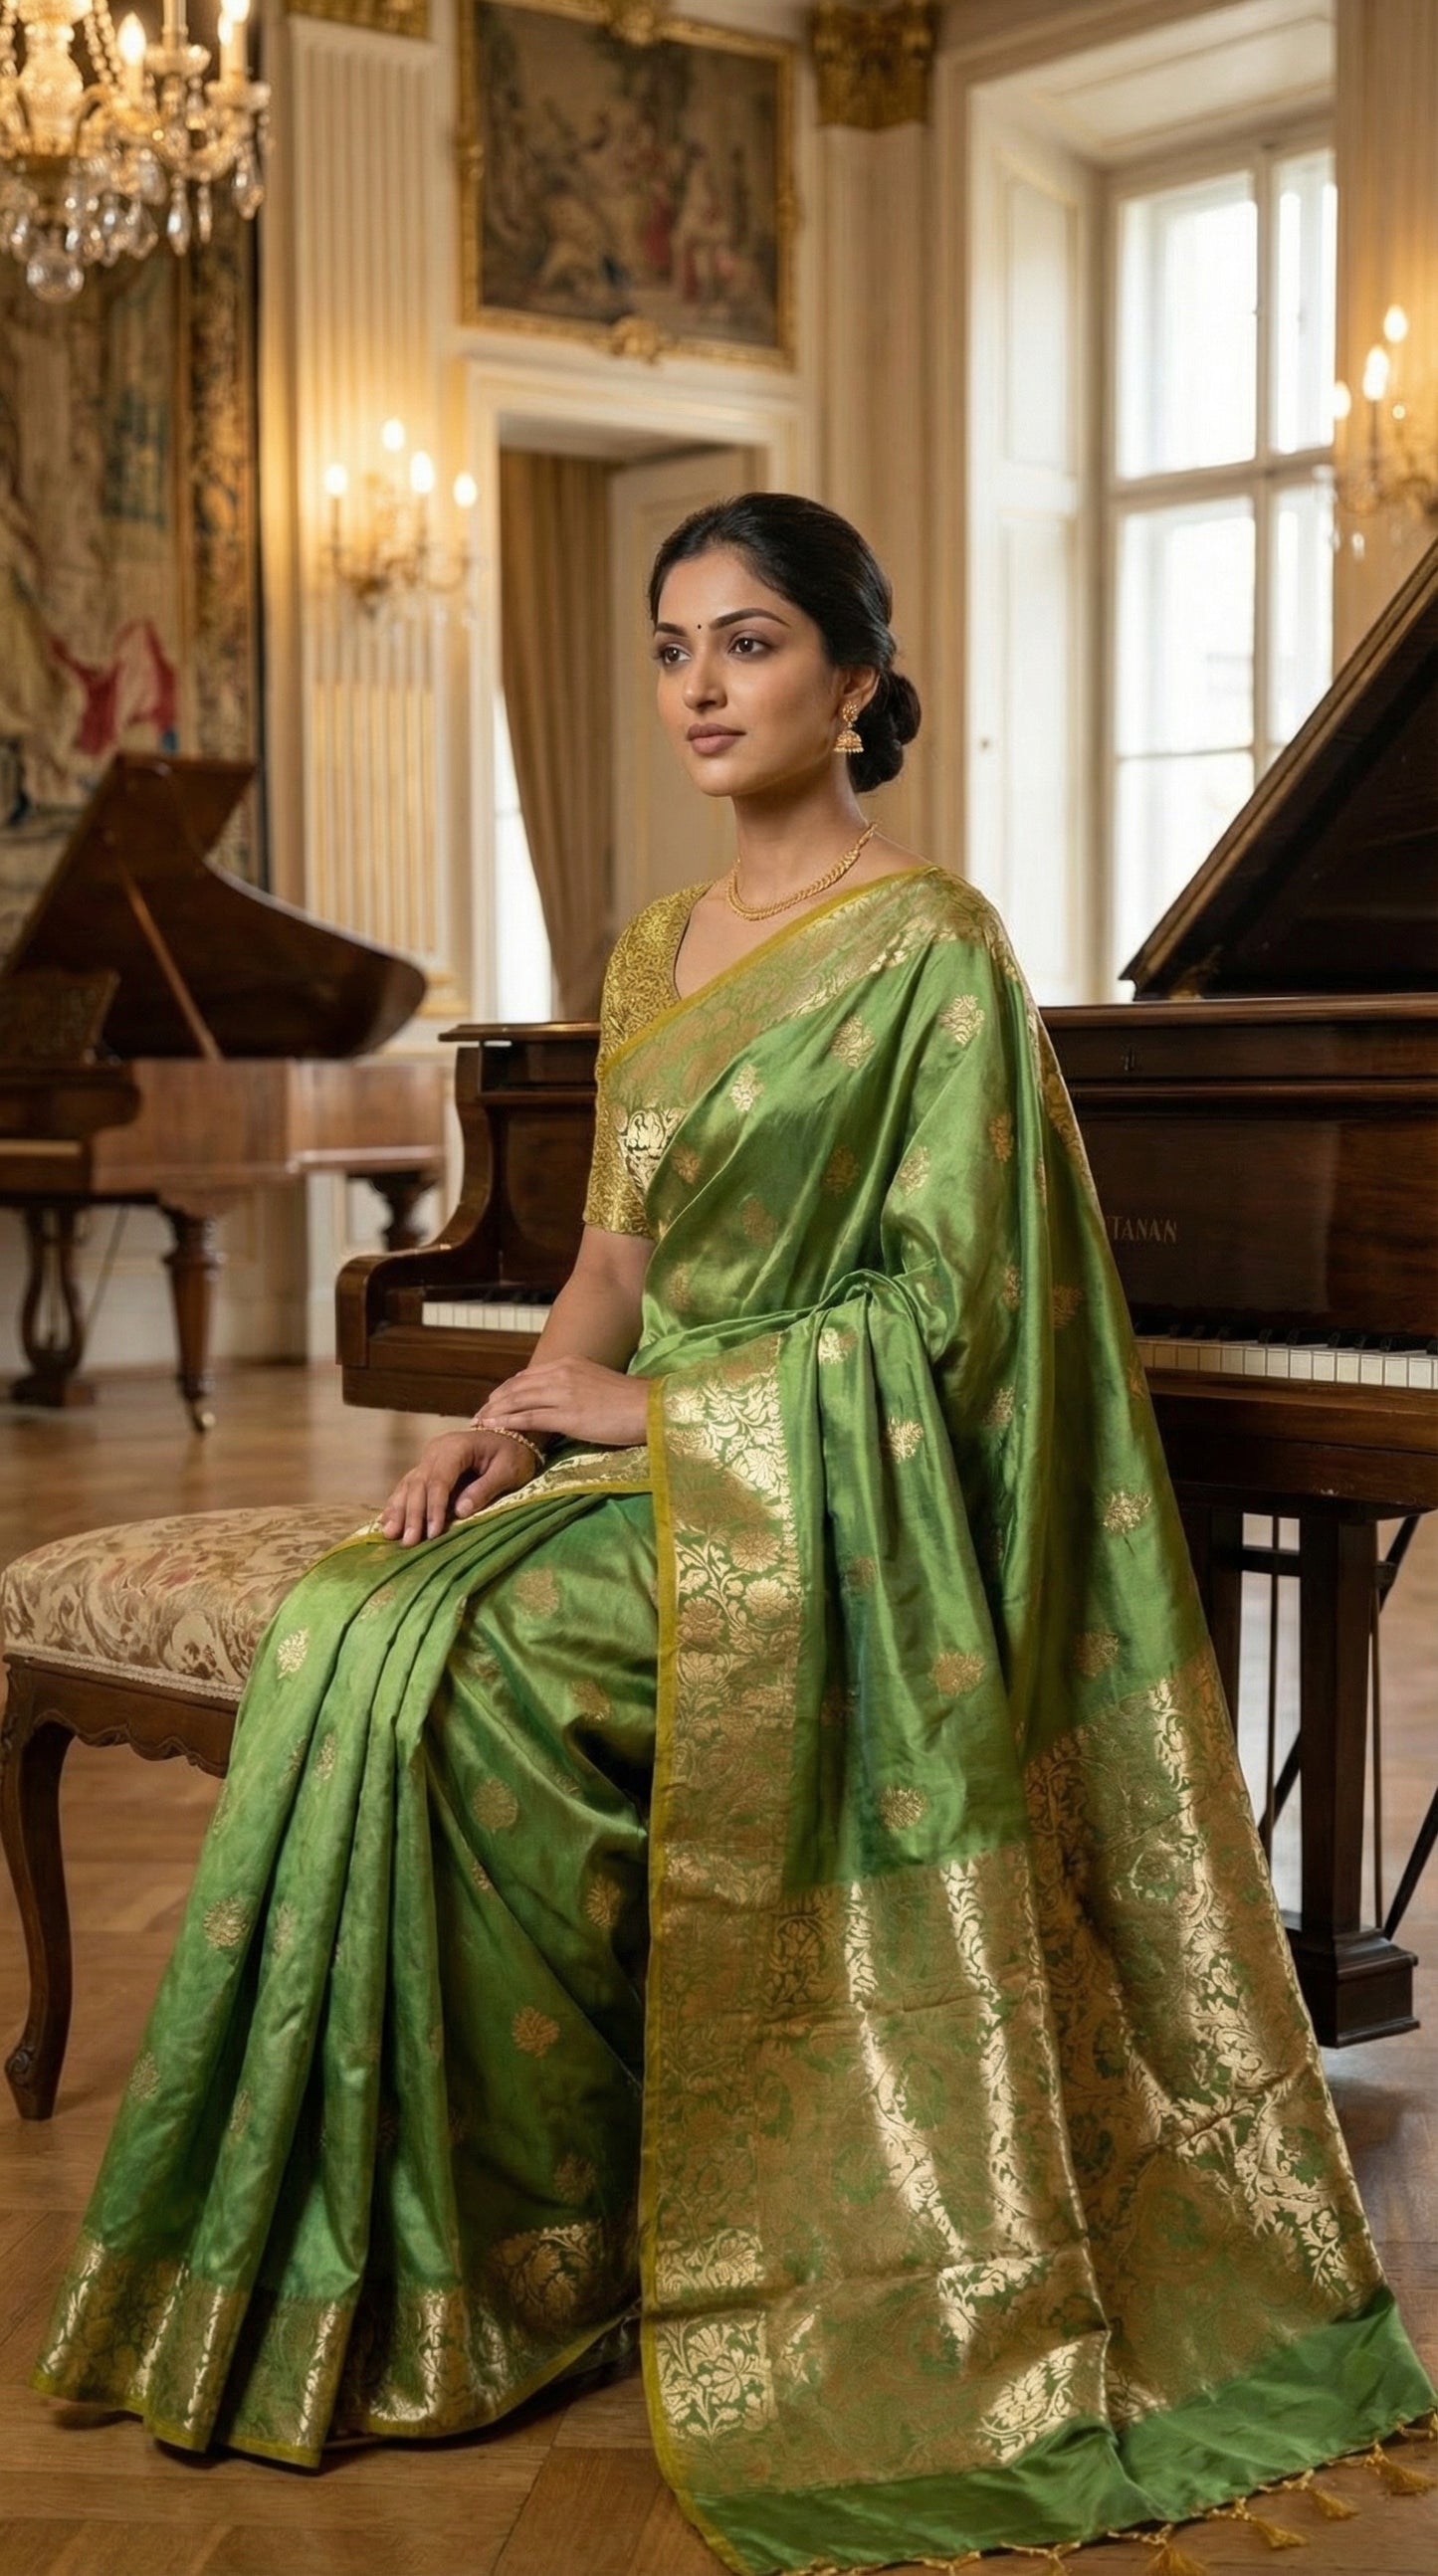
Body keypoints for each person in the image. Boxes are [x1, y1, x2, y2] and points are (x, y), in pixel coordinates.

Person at [33, 495, 1434, 2572]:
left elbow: (953, 1321)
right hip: (654, 1462)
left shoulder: (934, 946)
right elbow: (610, 1256)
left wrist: (669, 1409)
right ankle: (456, 2254)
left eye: (753, 645)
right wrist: (516, 1419)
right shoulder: (647, 955)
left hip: (827, 1515)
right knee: (360, 1618)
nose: (703, 686)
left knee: (472, 1676)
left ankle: (595, 2220)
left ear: (859, 684)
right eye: (675, 647)